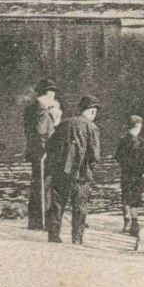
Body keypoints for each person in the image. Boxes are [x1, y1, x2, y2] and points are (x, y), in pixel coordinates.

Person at [44, 95, 101, 245]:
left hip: (61, 171)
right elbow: (95, 154)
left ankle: (54, 236)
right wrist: (92, 169)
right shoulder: (92, 127)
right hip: (81, 174)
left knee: (57, 204)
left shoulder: (64, 124)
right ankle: (77, 238)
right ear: (93, 112)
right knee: (80, 207)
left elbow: (50, 146)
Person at [22, 79, 62, 230]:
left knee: (37, 185)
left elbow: (30, 131)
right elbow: (41, 132)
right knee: (44, 186)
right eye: (51, 93)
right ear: (47, 94)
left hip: (34, 152)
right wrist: (55, 119)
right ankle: (43, 221)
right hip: (44, 152)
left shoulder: (30, 109)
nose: (53, 97)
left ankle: (35, 220)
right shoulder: (43, 111)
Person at [114, 114, 144, 236]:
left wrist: (125, 166)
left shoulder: (123, 140)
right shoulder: (140, 141)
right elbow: (143, 160)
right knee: (135, 198)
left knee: (125, 196)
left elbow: (117, 157)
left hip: (126, 173)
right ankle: (134, 222)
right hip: (136, 174)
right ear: (138, 125)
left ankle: (127, 222)